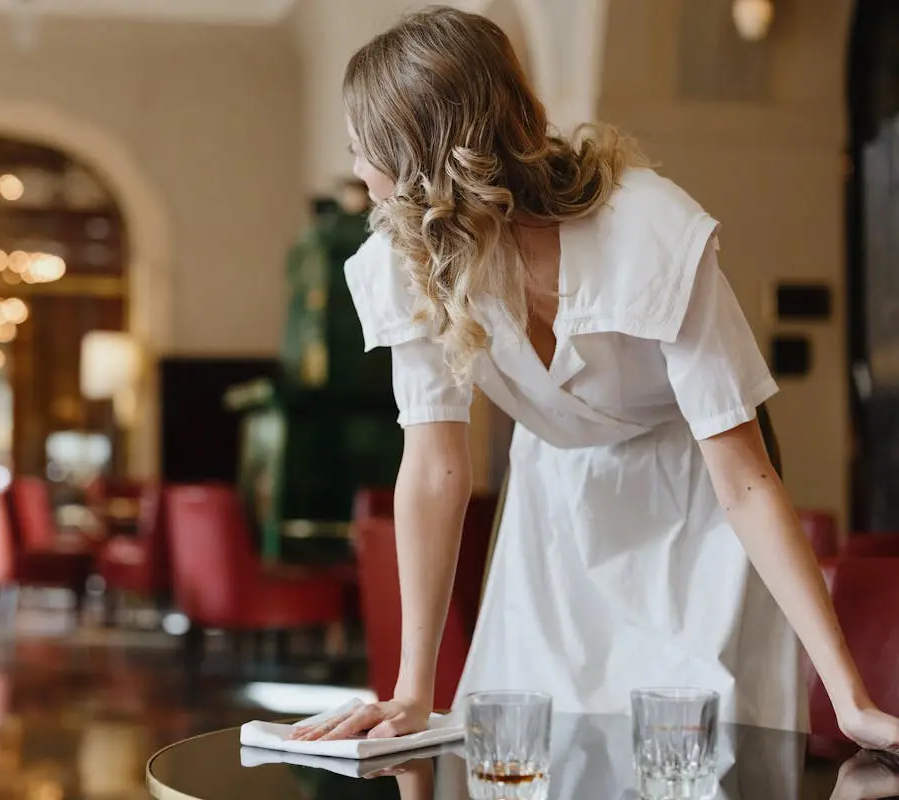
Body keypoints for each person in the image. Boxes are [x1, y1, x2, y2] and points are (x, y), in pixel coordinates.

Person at [292, 6, 899, 751]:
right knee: (534, 753)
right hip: (552, 508)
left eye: (364, 152)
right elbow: (435, 466)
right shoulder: (406, 260)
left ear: (421, 156)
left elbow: (744, 478)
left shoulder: (649, 233)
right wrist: (414, 691)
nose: (357, 172)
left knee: (689, 759)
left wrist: (850, 699)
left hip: (694, 507)